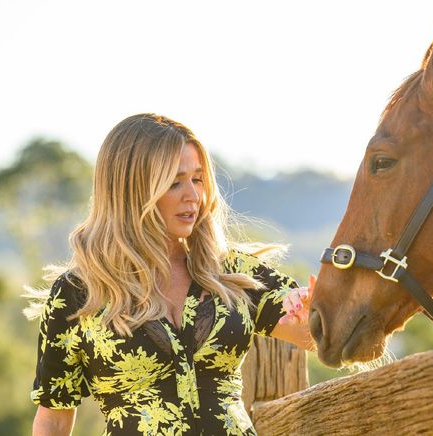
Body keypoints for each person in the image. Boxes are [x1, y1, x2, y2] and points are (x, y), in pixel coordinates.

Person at [27, 113, 313, 435]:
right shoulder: (79, 292)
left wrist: (310, 314)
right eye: (174, 182)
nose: (193, 195)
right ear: (131, 191)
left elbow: (316, 337)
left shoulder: (233, 271)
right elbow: (54, 417)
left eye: (198, 179)